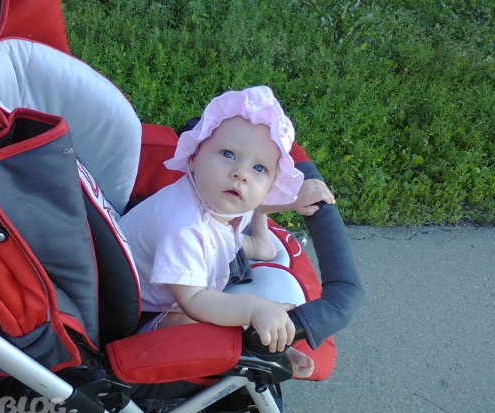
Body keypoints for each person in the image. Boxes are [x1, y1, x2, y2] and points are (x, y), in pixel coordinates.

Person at [119, 86, 334, 378]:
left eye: (259, 168)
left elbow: (253, 202)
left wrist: (293, 200)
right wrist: (255, 308)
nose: (241, 173)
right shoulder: (184, 228)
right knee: (194, 324)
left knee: (240, 223)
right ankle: (253, 352)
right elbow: (196, 301)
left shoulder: (217, 193)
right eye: (228, 154)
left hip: (190, 268)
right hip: (136, 312)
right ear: (193, 157)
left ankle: (259, 250)